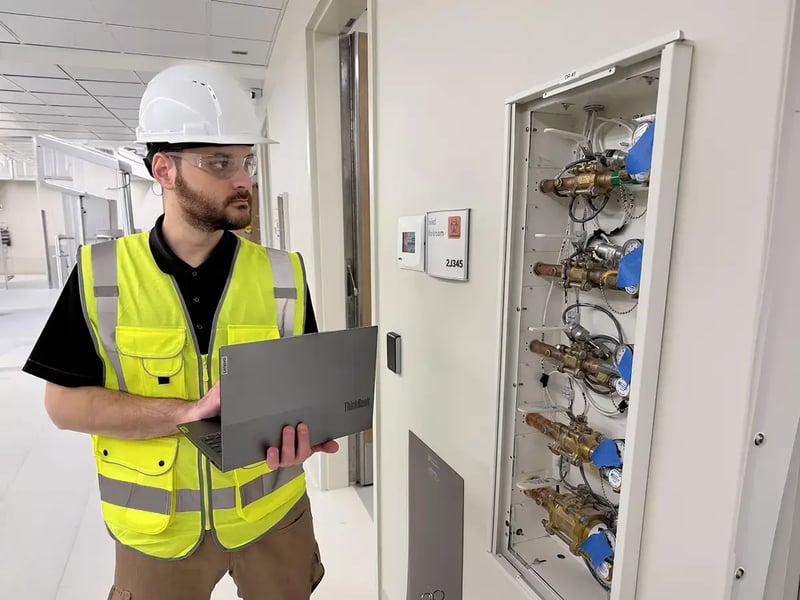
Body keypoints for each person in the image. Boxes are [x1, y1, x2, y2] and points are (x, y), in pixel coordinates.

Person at [22, 63, 338, 600]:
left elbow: (301, 391)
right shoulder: (101, 274)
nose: (244, 179)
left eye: (246, 161)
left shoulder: (284, 273)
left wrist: (304, 431)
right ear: (163, 170)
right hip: (157, 530)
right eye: (220, 162)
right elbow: (64, 406)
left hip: (270, 514)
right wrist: (184, 415)